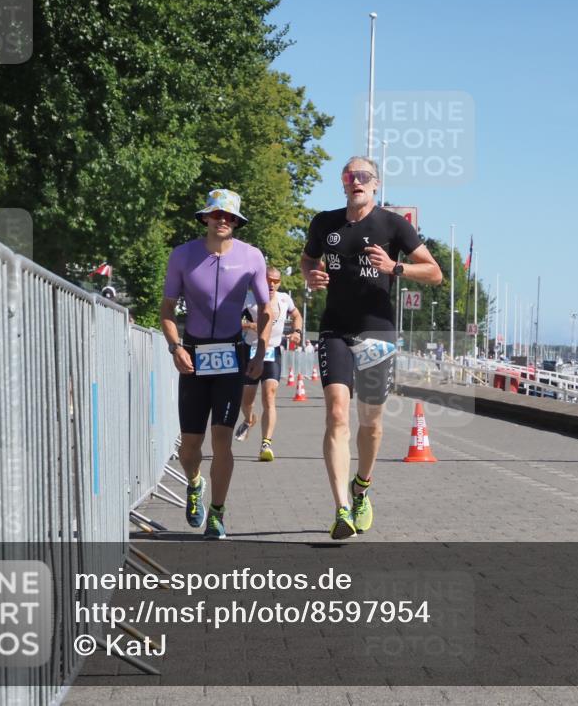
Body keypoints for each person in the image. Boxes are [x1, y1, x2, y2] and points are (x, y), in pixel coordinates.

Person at [301, 156, 442, 539]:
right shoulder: (324, 223)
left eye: (363, 176)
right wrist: (310, 276)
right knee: (336, 414)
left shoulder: (393, 225)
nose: (356, 181)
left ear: (376, 185)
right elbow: (308, 258)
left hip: (376, 331)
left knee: (372, 424)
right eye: (350, 176)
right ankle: (341, 510)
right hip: (334, 329)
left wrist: (395, 268)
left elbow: (434, 272)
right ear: (343, 184)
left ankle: (361, 487)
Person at [160, 188, 271, 539]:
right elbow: (165, 310)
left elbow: (267, 310)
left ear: (237, 222)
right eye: (216, 214)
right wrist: (176, 347)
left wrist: (260, 351)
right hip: (193, 353)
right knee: (190, 445)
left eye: (229, 216)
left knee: (222, 440)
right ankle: (194, 484)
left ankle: (218, 515)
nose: (223, 220)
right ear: (205, 217)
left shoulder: (252, 257)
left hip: (231, 354)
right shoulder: (182, 256)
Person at [235, 266, 303, 462]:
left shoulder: (284, 299)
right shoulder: (248, 298)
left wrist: (297, 332)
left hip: (272, 350)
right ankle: (249, 419)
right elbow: (231, 320)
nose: (271, 284)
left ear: (280, 283)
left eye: (275, 281)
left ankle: (266, 443)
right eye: (268, 280)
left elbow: (297, 315)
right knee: (246, 400)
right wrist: (249, 325)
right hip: (251, 350)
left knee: (269, 396)